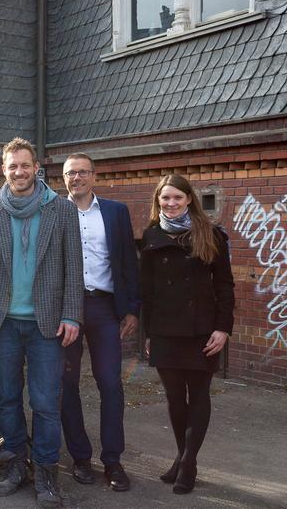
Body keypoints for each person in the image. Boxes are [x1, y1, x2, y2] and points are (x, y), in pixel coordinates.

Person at [0, 137, 83, 507]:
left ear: (37, 167)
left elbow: (73, 268)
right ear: (4, 171)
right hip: (3, 324)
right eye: (12, 166)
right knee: (6, 398)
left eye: (25, 165)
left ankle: (47, 471)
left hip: (47, 325)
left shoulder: (62, 210)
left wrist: (71, 314)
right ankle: (15, 463)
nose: (19, 172)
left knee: (46, 401)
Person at [141, 174, 234, 495]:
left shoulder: (211, 234)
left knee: (198, 397)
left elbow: (225, 286)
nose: (170, 203)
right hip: (165, 330)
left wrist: (223, 328)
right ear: (158, 202)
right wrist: (148, 334)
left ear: (189, 199)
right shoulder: (151, 236)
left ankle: (188, 463)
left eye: (177, 198)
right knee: (174, 400)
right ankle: (183, 455)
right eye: (165, 198)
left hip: (202, 331)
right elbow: (147, 291)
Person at [60, 153, 141, 492]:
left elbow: (127, 262)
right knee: (66, 384)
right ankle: (80, 457)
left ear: (94, 176)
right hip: (67, 310)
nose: (76, 178)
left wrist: (132, 309)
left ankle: (113, 460)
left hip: (105, 308)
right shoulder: (54, 211)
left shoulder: (115, 212)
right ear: (62, 178)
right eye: (69, 173)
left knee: (110, 383)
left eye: (82, 172)